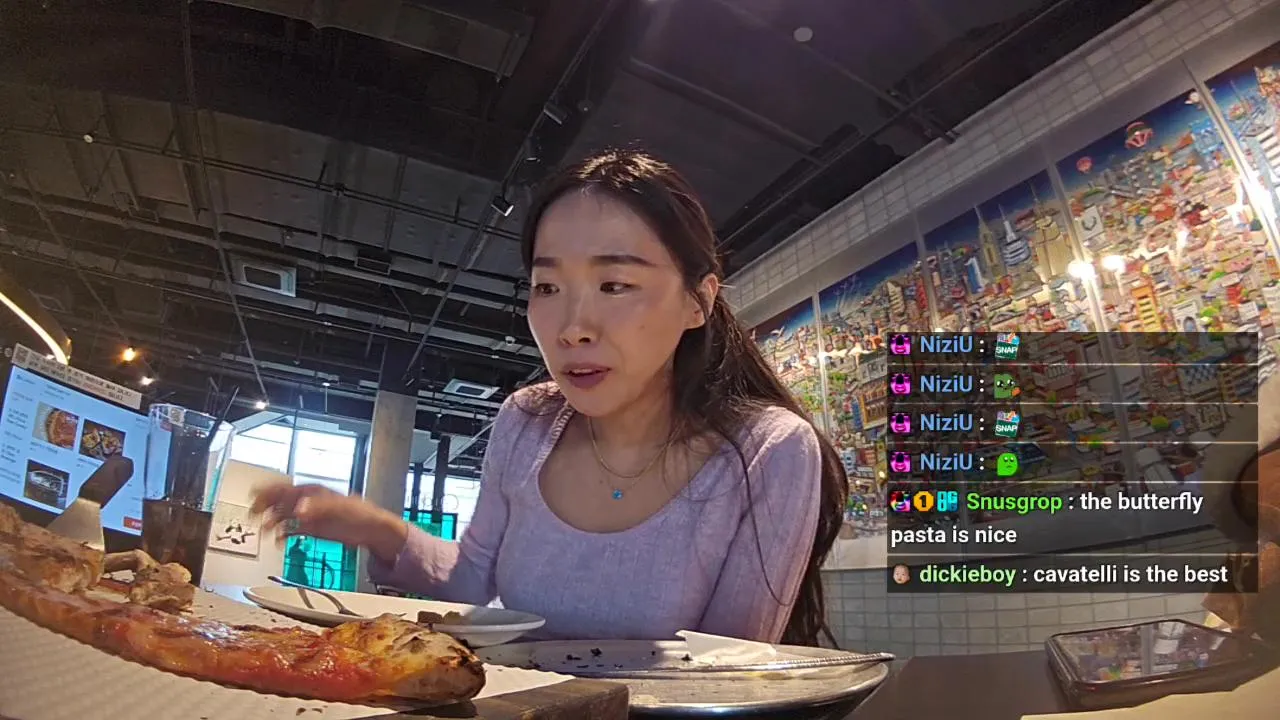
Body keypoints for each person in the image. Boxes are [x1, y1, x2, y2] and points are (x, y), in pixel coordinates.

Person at [253, 150, 848, 645]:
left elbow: (726, 677)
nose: (571, 328)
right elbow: (472, 580)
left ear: (699, 300)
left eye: (614, 284)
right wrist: (373, 527)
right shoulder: (526, 419)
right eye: (547, 287)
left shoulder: (768, 451)